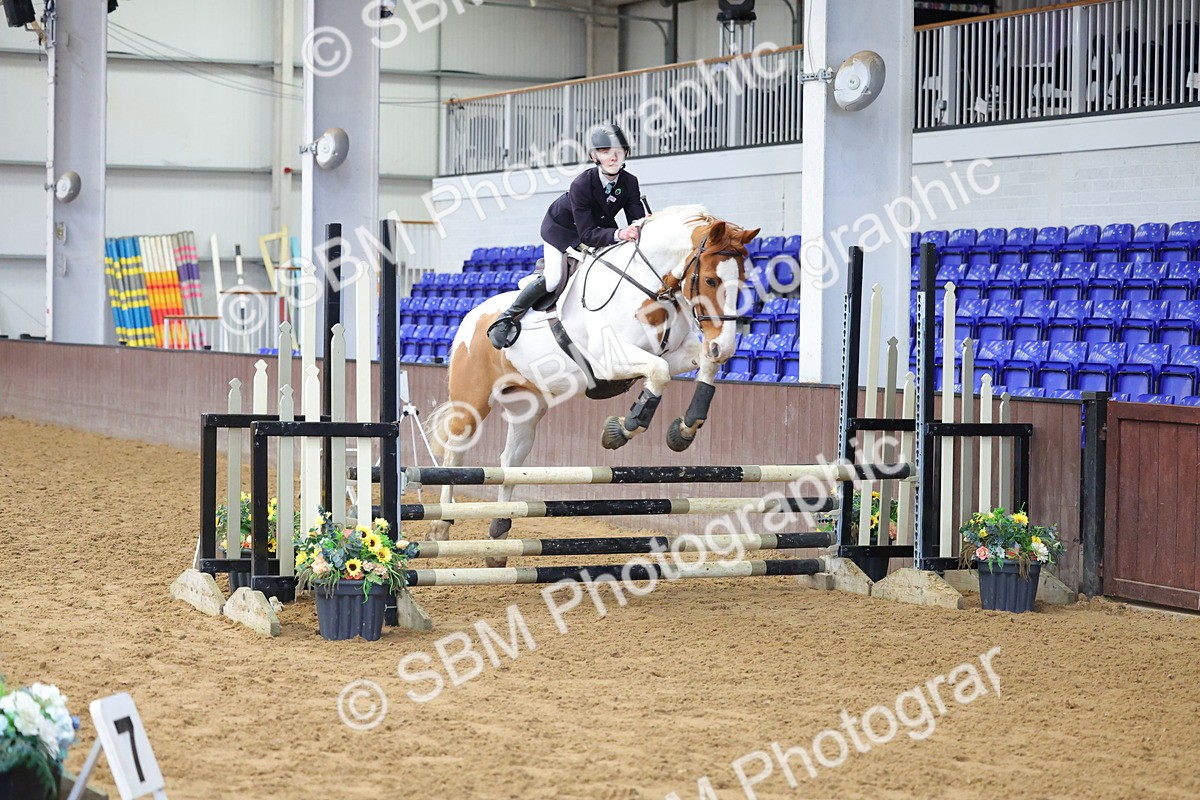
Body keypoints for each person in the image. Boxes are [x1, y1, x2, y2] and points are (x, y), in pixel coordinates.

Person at [487, 123, 647, 349]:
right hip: (561, 228)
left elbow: (636, 221)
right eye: (605, 151)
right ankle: (507, 318)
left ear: (626, 154)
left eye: (618, 151)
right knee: (553, 279)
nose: (612, 157)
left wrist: (646, 225)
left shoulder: (630, 182)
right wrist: (621, 233)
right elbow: (588, 235)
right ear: (594, 156)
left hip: (599, 226)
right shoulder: (581, 184)